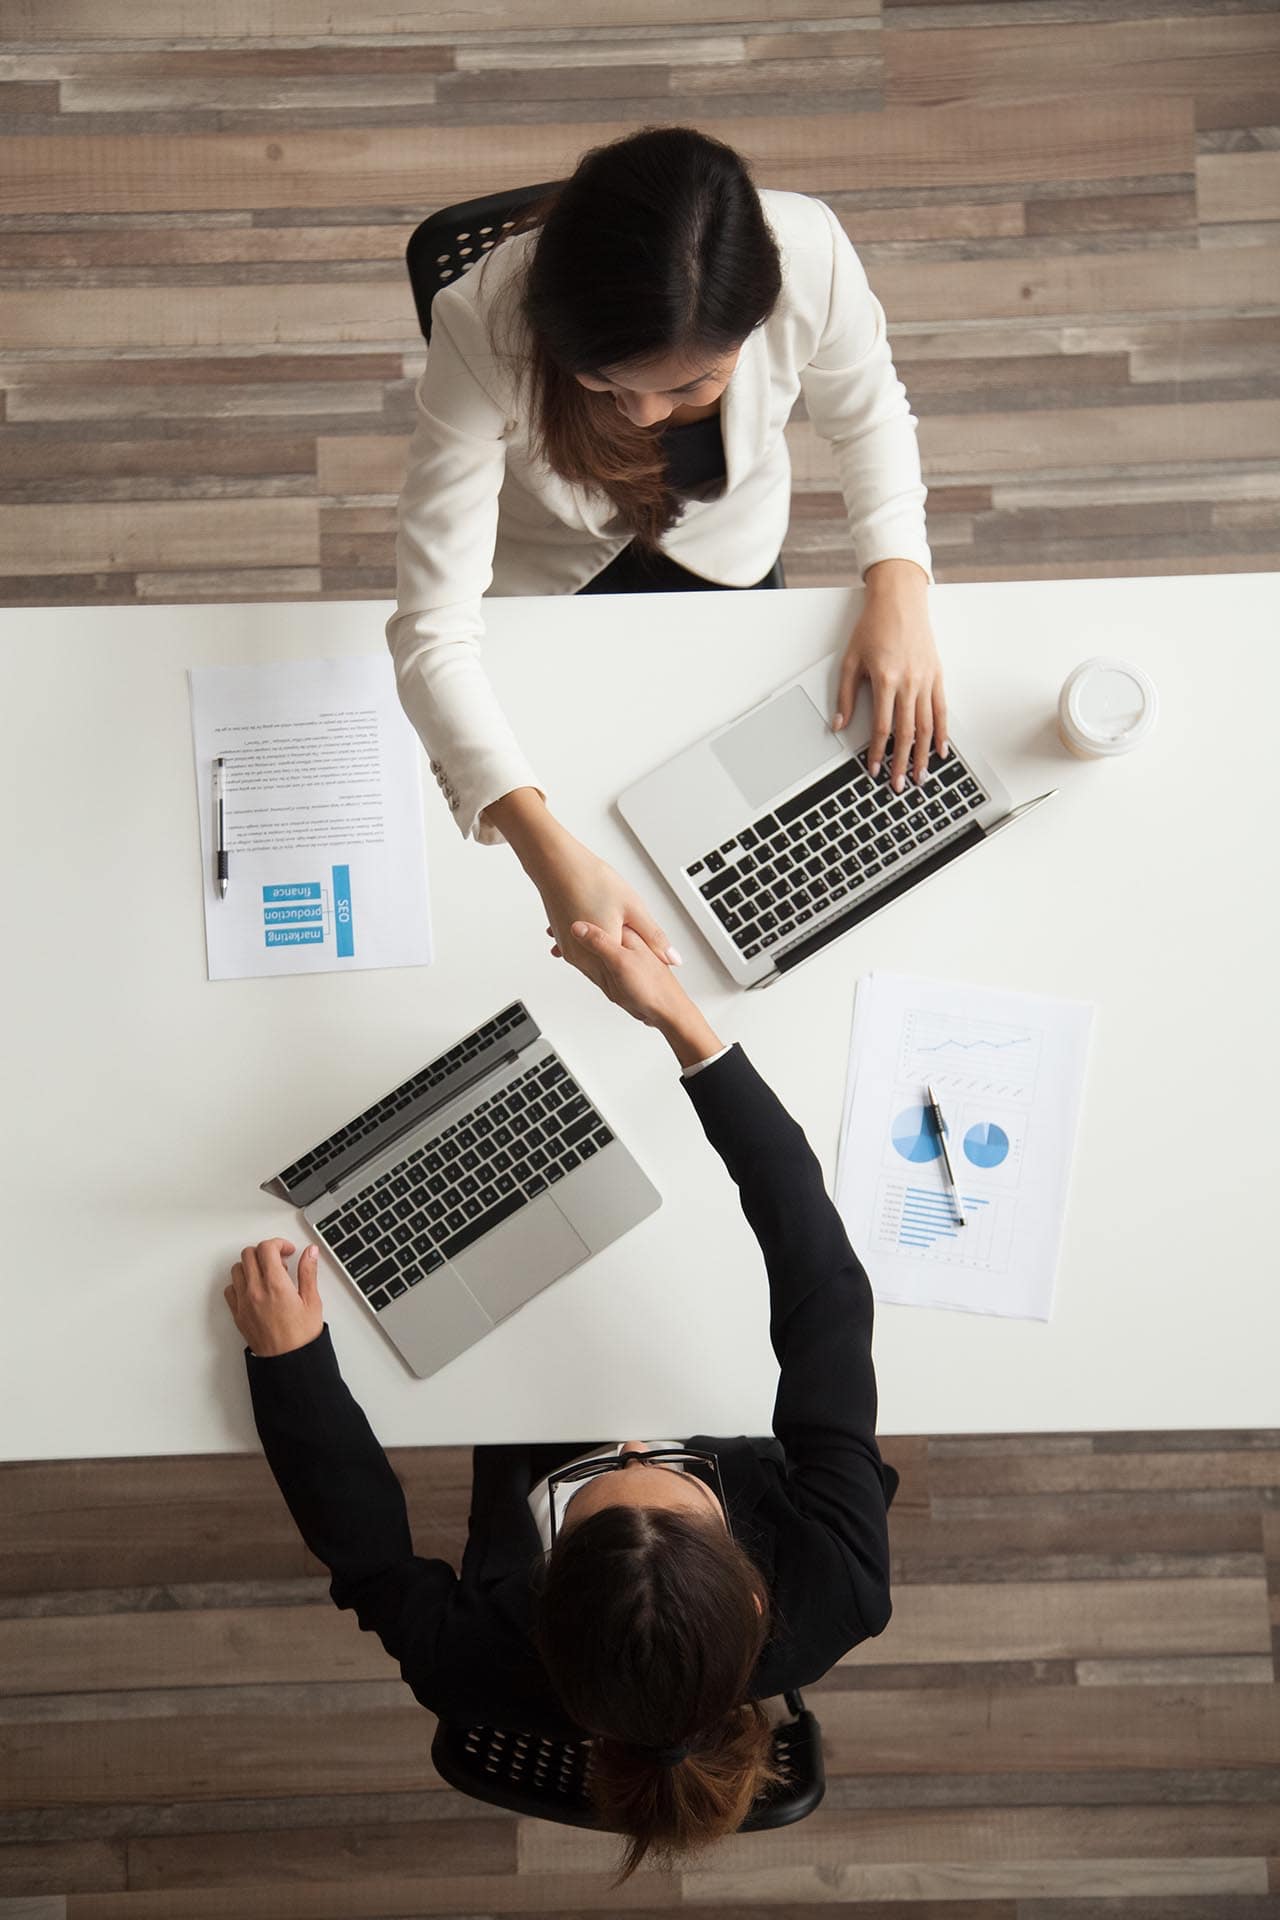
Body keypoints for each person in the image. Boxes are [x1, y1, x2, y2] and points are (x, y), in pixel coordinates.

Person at [225, 919, 899, 1886]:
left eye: (591, 1487)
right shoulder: (841, 1582)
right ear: (754, 1585)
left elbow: (371, 1562)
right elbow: (826, 1287)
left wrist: (289, 1361)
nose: (629, 1441)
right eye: (662, 1479)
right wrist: (683, 1024)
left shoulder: (475, 1667)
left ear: (539, 1605)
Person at [387, 122, 945, 998]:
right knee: (567, 755)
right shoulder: (478, 323)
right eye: (607, 384)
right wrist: (546, 854)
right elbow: (429, 630)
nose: (646, 416)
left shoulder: (814, 255)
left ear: (754, 325)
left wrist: (899, 586)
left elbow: (868, 414)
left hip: (728, 550)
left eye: (692, 385)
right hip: (551, 571)